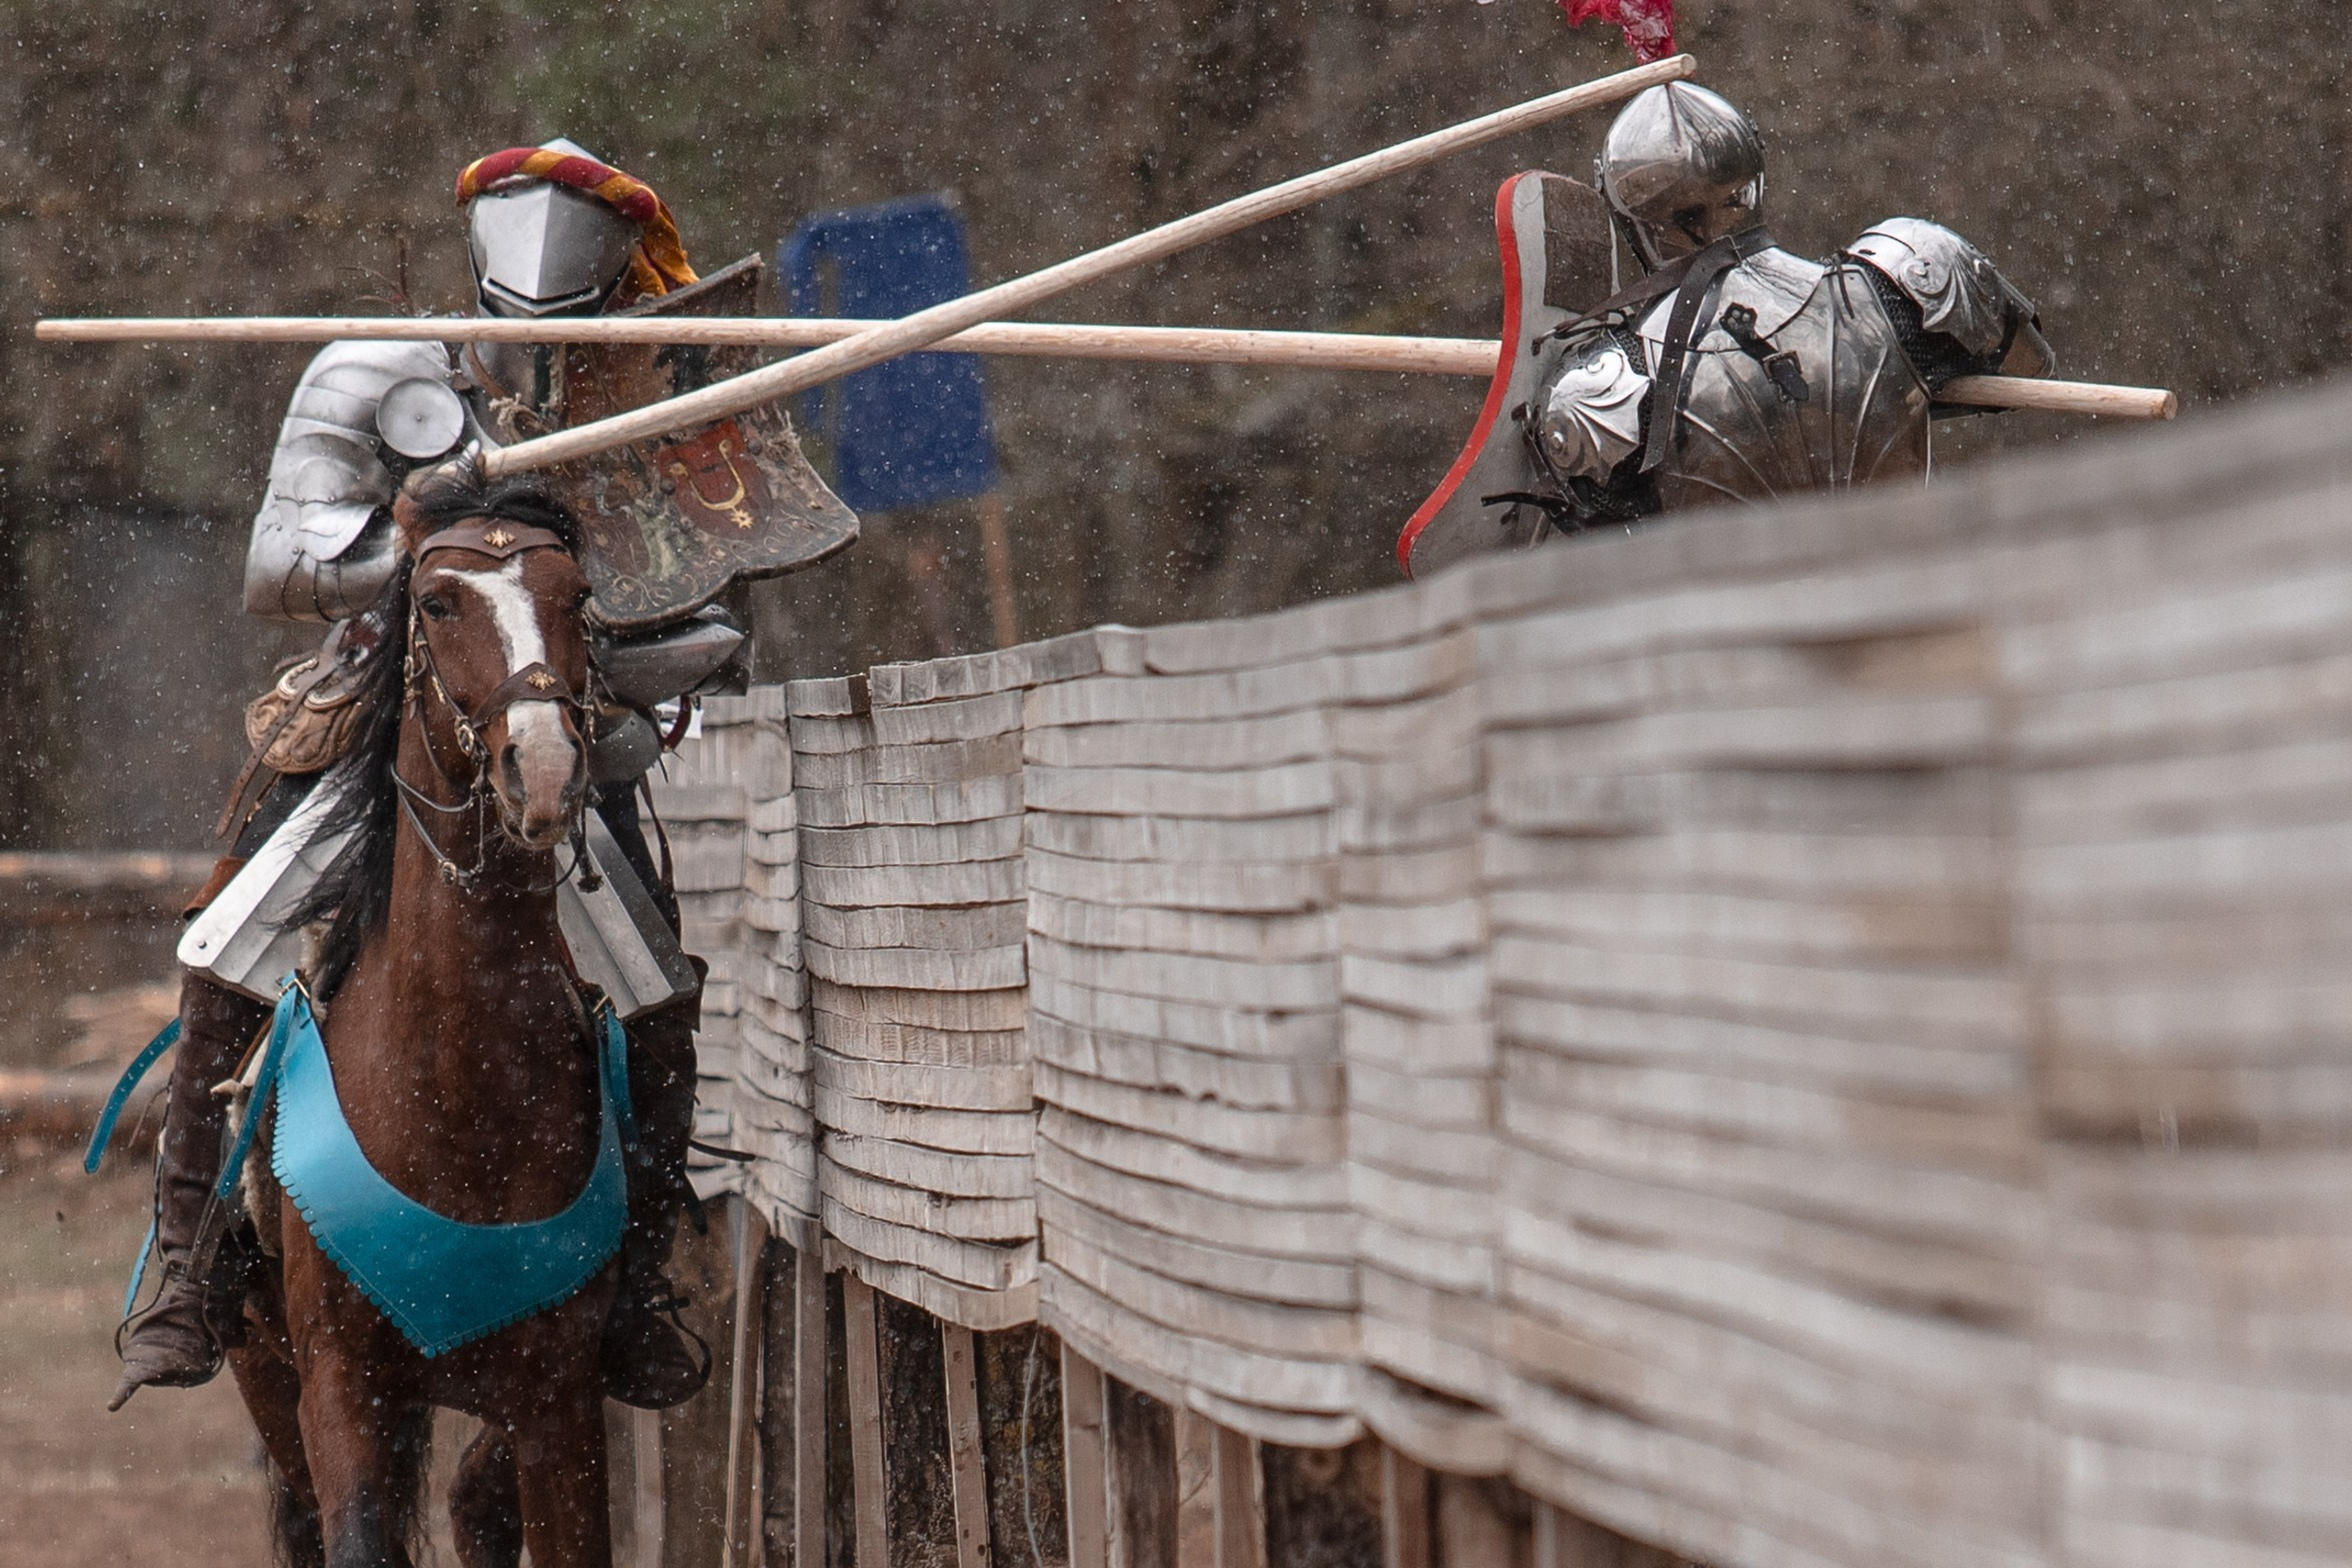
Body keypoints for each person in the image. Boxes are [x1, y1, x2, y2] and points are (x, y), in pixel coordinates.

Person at [112, 141, 741, 1412]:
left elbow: (709, 594)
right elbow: (277, 566)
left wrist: (589, 597)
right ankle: (193, 1255)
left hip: (553, 722)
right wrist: (418, 530)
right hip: (381, 715)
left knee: (651, 975)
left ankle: (642, 1264)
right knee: (230, 941)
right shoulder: (374, 372)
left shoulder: (643, 389)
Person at [1400, 82, 2054, 576]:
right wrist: (1891, 382)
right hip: (1914, 610)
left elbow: (1582, 571)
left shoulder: (1608, 385)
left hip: (1740, 679)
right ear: (1754, 181)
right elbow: (2027, 368)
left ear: (1633, 223)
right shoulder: (1903, 275)